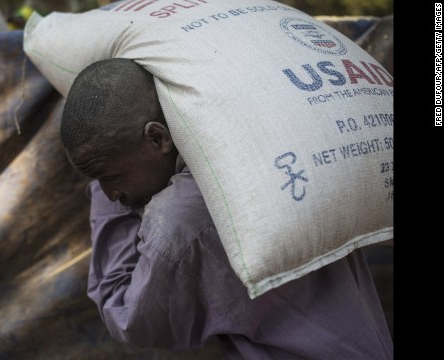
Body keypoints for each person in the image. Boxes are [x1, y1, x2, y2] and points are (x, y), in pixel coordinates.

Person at [60, 58, 393, 359]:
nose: (110, 192)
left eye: (110, 175)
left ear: (159, 138)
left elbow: (127, 316)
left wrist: (107, 204)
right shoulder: (270, 139)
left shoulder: (178, 222)